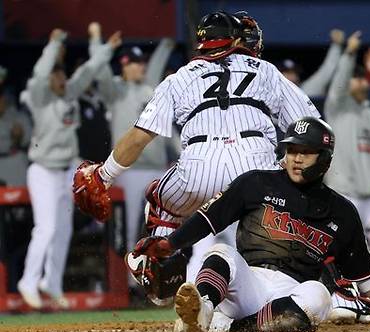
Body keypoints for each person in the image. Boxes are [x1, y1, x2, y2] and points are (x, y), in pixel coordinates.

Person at [73, 11, 321, 304]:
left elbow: (140, 137)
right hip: (259, 166)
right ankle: (340, 290)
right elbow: (311, 127)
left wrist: (103, 175)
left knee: (161, 203)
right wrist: (284, 173)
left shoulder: (179, 77)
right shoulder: (265, 70)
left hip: (198, 165)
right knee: (297, 229)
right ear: (238, 39)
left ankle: (159, 271)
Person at [130, 117, 370, 332]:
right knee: (220, 251)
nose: (296, 158)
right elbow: (207, 219)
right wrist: (170, 243)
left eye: (305, 151)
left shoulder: (342, 212)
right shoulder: (256, 182)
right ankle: (202, 311)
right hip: (246, 282)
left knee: (320, 294)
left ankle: (227, 327)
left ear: (325, 159)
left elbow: (366, 275)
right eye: (291, 150)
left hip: (292, 295)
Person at [17, 28, 121, 309]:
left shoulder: (70, 93)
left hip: (66, 170)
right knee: (46, 227)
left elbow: (88, 70)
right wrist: (53, 44)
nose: (61, 79)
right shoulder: (39, 97)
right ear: (50, 77)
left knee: (63, 230)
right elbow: (39, 74)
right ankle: (28, 281)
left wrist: (107, 49)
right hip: (42, 170)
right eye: (57, 74)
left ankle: (51, 282)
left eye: (63, 74)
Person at [89, 22, 178, 259]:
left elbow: (167, 128)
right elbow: (99, 71)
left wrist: (167, 45)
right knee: (127, 227)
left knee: (161, 226)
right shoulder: (115, 91)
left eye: (142, 63)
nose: (142, 67)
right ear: (125, 66)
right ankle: (128, 277)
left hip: (158, 168)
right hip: (130, 169)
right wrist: (97, 41)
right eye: (137, 63)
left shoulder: (150, 91)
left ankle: (158, 274)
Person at [322, 31, 370, 321]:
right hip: (344, 190)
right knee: (347, 250)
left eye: (364, 79)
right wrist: (349, 54)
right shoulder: (338, 108)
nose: (360, 82)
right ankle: (347, 298)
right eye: (356, 78)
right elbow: (337, 85)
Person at [279, 29, 345, 99]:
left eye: (294, 73)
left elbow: (327, 69)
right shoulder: (269, 94)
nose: (291, 77)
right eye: (286, 73)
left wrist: (336, 46)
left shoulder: (307, 91)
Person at [0, 85, 31, 186]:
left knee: (19, 199)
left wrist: (19, 138)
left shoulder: (19, 116)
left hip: (16, 164)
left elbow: (33, 142)